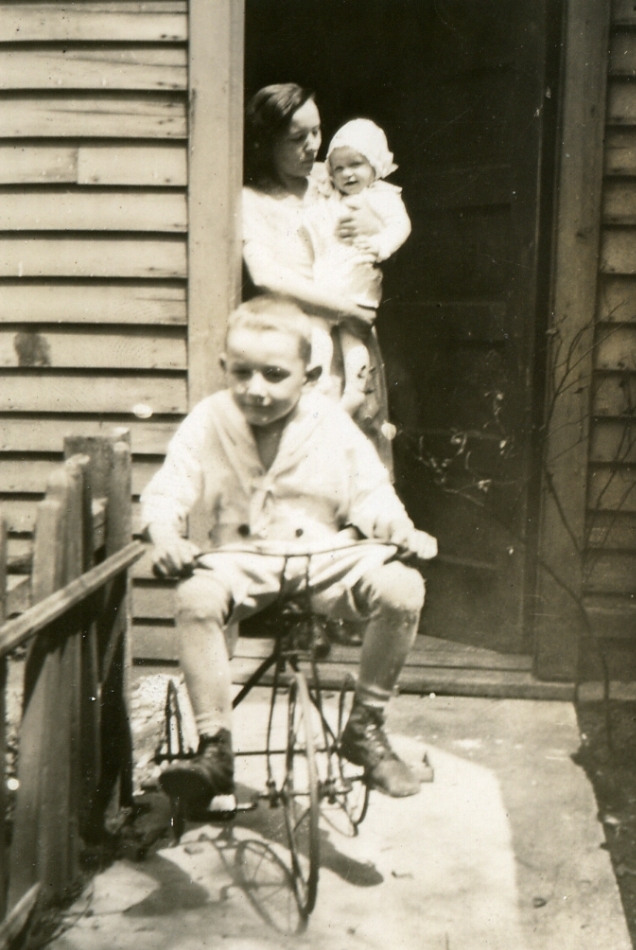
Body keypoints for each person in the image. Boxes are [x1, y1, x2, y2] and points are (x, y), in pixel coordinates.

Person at [140, 295, 437, 811]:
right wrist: (166, 536)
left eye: (275, 374)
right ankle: (214, 747)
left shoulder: (332, 424)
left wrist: (400, 530)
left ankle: (366, 726)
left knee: (403, 587)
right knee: (195, 596)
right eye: (242, 373)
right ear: (224, 367)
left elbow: (372, 494)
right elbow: (168, 491)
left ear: (310, 375)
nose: (256, 388)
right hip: (242, 560)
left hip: (325, 558)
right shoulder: (209, 420)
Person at [242, 83, 393, 465]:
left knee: (357, 463)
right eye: (297, 138)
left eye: (317, 131)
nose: (312, 145)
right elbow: (266, 276)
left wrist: (374, 226)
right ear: (267, 142)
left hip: (352, 338)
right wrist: (346, 311)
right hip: (299, 343)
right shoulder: (253, 200)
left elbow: (384, 221)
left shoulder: (336, 178)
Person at [306, 119, 411, 419]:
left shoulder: (382, 196)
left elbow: (400, 225)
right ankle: (319, 383)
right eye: (339, 168)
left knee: (353, 339)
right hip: (327, 281)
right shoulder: (331, 193)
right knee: (318, 332)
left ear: (375, 165)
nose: (347, 174)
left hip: (357, 282)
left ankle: (355, 388)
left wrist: (381, 244)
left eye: (356, 164)